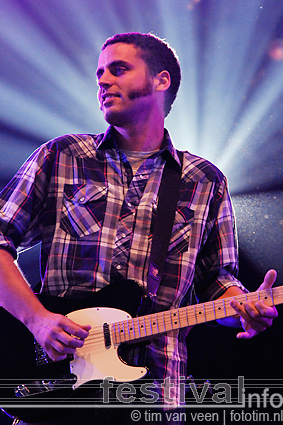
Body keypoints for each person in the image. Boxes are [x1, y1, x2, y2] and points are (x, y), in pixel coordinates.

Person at [0, 32, 278, 425]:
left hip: (155, 395)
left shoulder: (203, 179)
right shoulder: (62, 156)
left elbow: (219, 283)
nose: (103, 81)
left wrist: (246, 309)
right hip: (58, 387)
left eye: (118, 69)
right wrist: (37, 319)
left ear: (161, 81)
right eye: (99, 73)